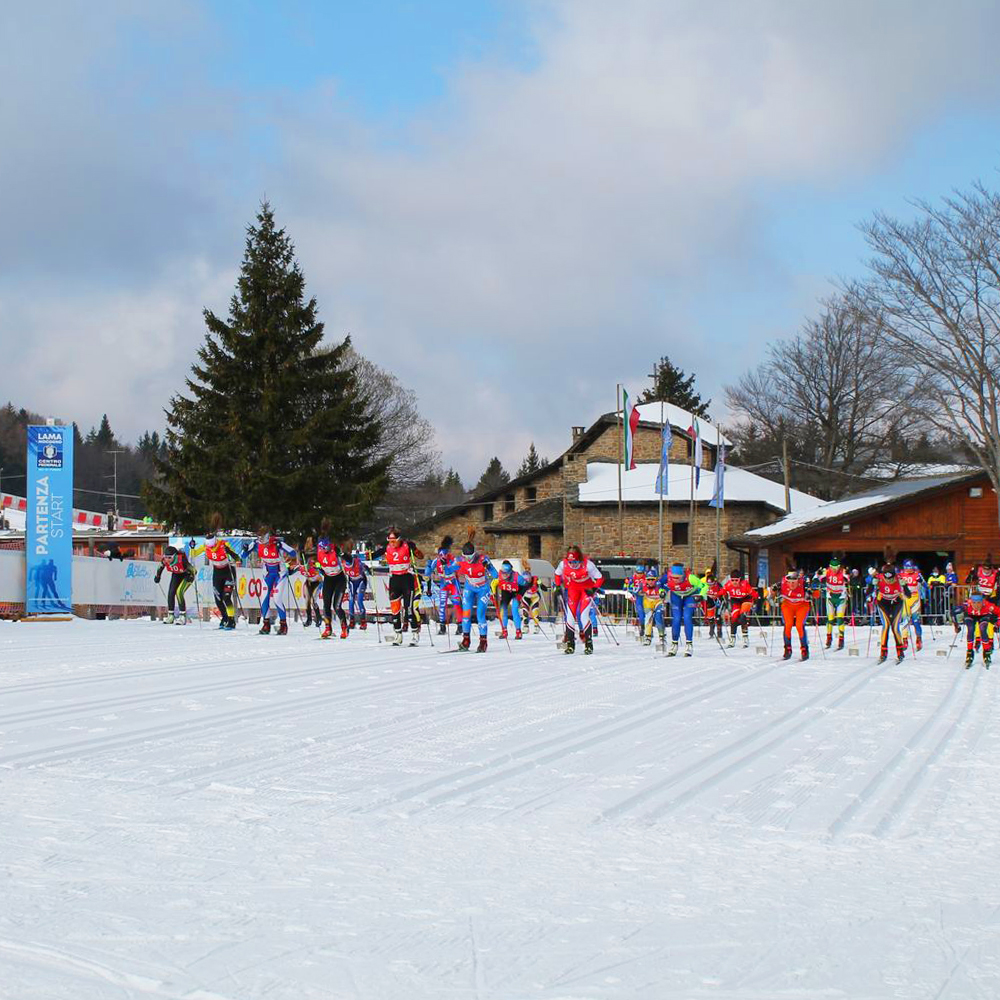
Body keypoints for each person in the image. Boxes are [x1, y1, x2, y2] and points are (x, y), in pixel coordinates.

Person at [372, 528, 425, 646]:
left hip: (407, 578)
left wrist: (415, 549)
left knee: (409, 609)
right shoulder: (387, 548)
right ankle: (398, 635)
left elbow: (420, 556)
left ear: (399, 539)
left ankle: (415, 634)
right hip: (394, 579)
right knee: (395, 609)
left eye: (394, 541)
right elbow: (373, 555)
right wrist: (369, 555)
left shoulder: (407, 546)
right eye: (390, 541)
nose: (392, 543)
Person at [190, 514, 242, 629]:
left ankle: (231, 620)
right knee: (218, 599)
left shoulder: (223, 545)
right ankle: (225, 618)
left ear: (215, 542)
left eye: (213, 546)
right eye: (209, 547)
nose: (211, 549)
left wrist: (231, 553)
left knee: (226, 597)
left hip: (228, 571)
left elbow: (237, 558)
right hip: (217, 573)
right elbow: (193, 554)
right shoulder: (206, 546)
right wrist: (192, 547)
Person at [245, 526, 297, 635]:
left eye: (264, 541)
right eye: (261, 541)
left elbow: (293, 553)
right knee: (264, 598)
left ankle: (283, 625)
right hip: (267, 574)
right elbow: (243, 555)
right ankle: (266, 624)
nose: (263, 544)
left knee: (277, 599)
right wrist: (246, 549)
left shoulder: (277, 543)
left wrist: (281, 546)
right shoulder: (256, 544)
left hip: (280, 574)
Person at [554, 545, 603, 654]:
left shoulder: (588, 565)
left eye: (575, 562)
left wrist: (594, 589)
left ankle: (588, 644)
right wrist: (557, 586)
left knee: (583, 616)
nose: (573, 565)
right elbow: (557, 574)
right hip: (573, 590)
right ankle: (570, 644)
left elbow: (600, 578)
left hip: (585, 591)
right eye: (570, 562)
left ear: (580, 559)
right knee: (570, 616)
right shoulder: (563, 564)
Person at [456, 531, 497, 652]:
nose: (468, 559)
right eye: (465, 556)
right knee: (466, 615)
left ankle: (483, 642)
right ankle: (466, 640)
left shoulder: (483, 559)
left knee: (480, 614)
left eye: (470, 557)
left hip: (483, 589)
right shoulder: (460, 560)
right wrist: (443, 566)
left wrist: (488, 568)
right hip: (469, 588)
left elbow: (495, 574)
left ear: (474, 554)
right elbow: (449, 570)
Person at [314, 524, 349, 640]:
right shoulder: (319, 551)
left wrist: (343, 554)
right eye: (323, 548)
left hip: (339, 579)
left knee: (337, 606)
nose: (325, 550)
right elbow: (317, 563)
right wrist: (318, 568)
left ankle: (344, 627)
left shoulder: (336, 550)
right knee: (326, 605)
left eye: (327, 547)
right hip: (328, 578)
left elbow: (350, 560)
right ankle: (328, 628)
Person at [661, 562, 704, 657]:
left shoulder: (691, 578)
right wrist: (662, 591)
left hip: (690, 595)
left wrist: (701, 595)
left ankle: (689, 644)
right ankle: (674, 644)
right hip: (676, 595)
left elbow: (704, 586)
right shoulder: (667, 577)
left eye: (678, 578)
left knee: (687, 617)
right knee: (676, 619)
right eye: (673, 577)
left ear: (683, 575)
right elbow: (660, 584)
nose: (675, 580)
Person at [425, 536, 461, 635]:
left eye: (445, 554)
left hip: (453, 583)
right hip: (444, 584)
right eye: (440, 555)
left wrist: (448, 566)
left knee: (456, 603)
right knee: (442, 604)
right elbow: (428, 574)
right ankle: (442, 626)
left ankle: (460, 625)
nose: (442, 557)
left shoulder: (453, 559)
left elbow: (457, 567)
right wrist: (428, 567)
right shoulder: (436, 561)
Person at [875, 564, 908, 664]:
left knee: (895, 627)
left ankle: (900, 652)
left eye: (891, 578)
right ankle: (883, 652)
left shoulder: (899, 578)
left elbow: (909, 595)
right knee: (885, 626)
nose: (889, 581)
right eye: (886, 578)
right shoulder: (879, 579)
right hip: (883, 603)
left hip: (896, 603)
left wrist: (905, 586)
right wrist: (872, 585)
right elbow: (868, 592)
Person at [954, 591, 997, 669]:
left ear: (982, 601)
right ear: (971, 601)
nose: (976, 605)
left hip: (983, 615)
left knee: (983, 629)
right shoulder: (966, 605)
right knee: (970, 629)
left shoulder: (988, 605)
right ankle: (969, 653)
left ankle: (986, 653)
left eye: (979, 603)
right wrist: (956, 626)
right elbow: (954, 613)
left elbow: (998, 612)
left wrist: (997, 622)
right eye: (974, 603)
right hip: (970, 615)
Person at [154, 545, 194, 625]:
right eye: (166, 557)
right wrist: (157, 576)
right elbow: (160, 568)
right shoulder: (165, 561)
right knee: (171, 593)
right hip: (176, 574)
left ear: (175, 556)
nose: (168, 560)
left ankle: (182, 616)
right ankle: (171, 616)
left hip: (186, 575)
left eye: (170, 557)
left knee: (179, 592)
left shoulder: (181, 559)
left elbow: (192, 570)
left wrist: (190, 576)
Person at [779, 568, 810, 662]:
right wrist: (773, 591)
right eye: (789, 582)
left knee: (799, 625)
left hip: (802, 606)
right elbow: (771, 595)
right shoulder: (782, 583)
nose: (792, 584)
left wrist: (811, 593)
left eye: (794, 582)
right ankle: (787, 648)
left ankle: (804, 648)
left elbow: (816, 594)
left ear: (798, 580)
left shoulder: (804, 585)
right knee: (788, 625)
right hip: (788, 605)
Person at [723, 568, 756, 648]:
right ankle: (732, 639)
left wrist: (756, 601)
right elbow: (722, 591)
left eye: (736, 580)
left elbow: (754, 594)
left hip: (746, 600)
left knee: (742, 616)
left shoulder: (745, 584)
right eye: (732, 580)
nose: (734, 582)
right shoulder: (728, 584)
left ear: (740, 579)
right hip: (736, 601)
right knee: (734, 618)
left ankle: (745, 638)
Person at [495, 560, 529, 638]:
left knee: (514, 610)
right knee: (503, 611)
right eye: (503, 573)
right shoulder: (499, 575)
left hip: (515, 593)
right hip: (505, 593)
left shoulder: (517, 577)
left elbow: (526, 585)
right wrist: (492, 590)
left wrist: (520, 594)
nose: (505, 576)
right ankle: (504, 631)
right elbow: (494, 583)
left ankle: (518, 631)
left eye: (506, 573)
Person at [822, 557, 850, 650]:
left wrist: (848, 576)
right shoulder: (826, 571)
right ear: (830, 566)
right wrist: (817, 577)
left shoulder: (843, 572)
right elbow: (816, 578)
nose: (834, 570)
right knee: (830, 619)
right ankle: (829, 637)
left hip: (841, 597)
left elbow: (849, 579)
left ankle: (841, 639)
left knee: (840, 618)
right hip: (830, 597)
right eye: (832, 568)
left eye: (836, 567)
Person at [897, 559, 925, 651]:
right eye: (906, 568)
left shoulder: (917, 574)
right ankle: (905, 639)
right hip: (905, 598)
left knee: (915, 620)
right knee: (905, 620)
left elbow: (925, 584)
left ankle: (918, 638)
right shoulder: (901, 575)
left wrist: (921, 582)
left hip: (915, 599)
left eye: (909, 568)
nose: (908, 570)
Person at [342, 547, 369, 629]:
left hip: (361, 580)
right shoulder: (344, 562)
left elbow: (364, 566)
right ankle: (352, 621)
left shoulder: (357, 562)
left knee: (359, 600)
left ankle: (363, 621)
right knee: (351, 601)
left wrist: (367, 569)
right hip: (352, 581)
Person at [298, 538, 322, 629]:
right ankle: (309, 619)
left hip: (317, 581)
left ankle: (318, 618)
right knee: (307, 601)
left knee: (313, 601)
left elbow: (319, 565)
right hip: (308, 581)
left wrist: (317, 567)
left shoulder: (314, 558)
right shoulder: (301, 562)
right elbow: (291, 566)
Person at [703, 571, 725, 640]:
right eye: (708, 584)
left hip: (718, 601)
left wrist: (718, 596)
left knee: (718, 616)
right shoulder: (705, 586)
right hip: (710, 601)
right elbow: (702, 593)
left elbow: (723, 593)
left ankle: (719, 633)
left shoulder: (718, 585)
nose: (710, 586)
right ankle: (711, 631)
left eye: (711, 584)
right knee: (710, 617)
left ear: (714, 582)